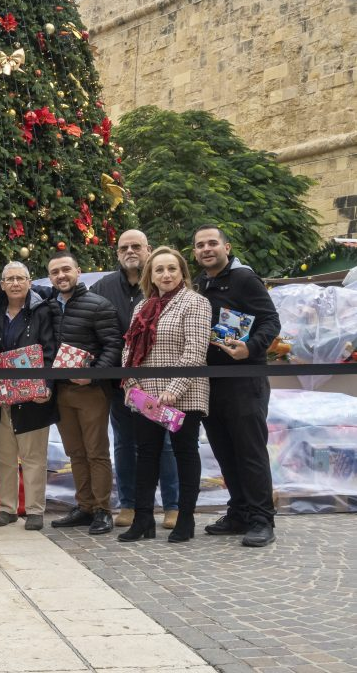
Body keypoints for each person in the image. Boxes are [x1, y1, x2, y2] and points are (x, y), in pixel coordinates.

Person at [192, 225, 281, 547]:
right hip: (211, 382)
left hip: (245, 381)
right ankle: (240, 511)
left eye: (212, 243)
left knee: (250, 451)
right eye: (200, 245)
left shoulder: (245, 279)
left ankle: (262, 519)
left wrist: (251, 347)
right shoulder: (200, 284)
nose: (206, 249)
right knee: (226, 453)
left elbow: (271, 320)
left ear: (226, 247)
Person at [117, 247, 211, 544]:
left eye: (172, 269)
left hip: (183, 395)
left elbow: (195, 350)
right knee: (146, 456)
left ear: (182, 272)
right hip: (146, 396)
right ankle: (143, 519)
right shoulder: (141, 307)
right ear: (151, 275)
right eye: (159, 270)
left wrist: (173, 390)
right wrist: (132, 383)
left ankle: (186, 518)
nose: (166, 275)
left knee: (185, 455)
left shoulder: (196, 302)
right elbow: (129, 349)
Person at [90, 229, 180, 529]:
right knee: (124, 443)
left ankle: (172, 505)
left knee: (164, 443)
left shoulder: (162, 285)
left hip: (157, 384)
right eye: (124, 247)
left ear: (148, 249)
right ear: (117, 253)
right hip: (121, 384)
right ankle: (128, 504)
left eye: (136, 246)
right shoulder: (103, 287)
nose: (130, 251)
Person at [46, 251, 123, 535]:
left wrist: (93, 375)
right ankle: (85, 506)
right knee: (75, 452)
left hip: (91, 391)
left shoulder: (98, 305)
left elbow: (113, 345)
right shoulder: (50, 306)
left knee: (96, 452)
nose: (61, 276)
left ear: (78, 271)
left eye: (66, 269)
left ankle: (103, 510)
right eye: (55, 272)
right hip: (61, 390)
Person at [0, 261, 58, 532]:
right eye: (10, 279)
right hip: (0, 393)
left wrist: (47, 386)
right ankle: (6, 508)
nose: (15, 284)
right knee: (3, 455)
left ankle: (34, 510)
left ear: (30, 282)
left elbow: (50, 350)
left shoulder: (42, 311)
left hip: (33, 396)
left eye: (21, 278)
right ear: (2, 285)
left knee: (33, 456)